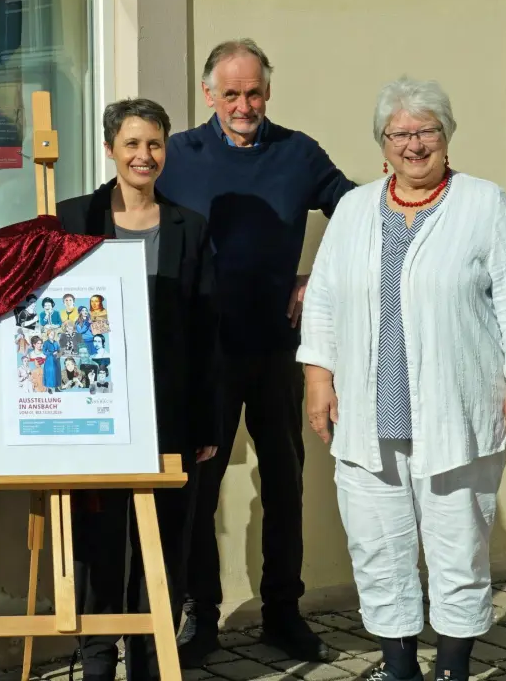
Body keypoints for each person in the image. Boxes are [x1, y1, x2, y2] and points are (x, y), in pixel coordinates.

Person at [299, 78, 506, 681]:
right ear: (382, 145)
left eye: (426, 131)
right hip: (367, 418)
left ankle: (454, 670)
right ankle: (399, 667)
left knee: (457, 550)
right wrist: (317, 379)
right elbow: (324, 303)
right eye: (400, 133)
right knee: (379, 550)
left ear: (447, 137)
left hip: (454, 414)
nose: (414, 144)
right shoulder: (356, 209)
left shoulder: (484, 204)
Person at [156, 39, 354, 663]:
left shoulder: (298, 152)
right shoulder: (178, 154)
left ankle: (282, 613)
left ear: (268, 92)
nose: (244, 104)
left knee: (284, 481)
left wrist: (315, 277)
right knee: (197, 485)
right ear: (208, 94)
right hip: (203, 351)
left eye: (255, 92)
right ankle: (200, 616)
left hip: (275, 347)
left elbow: (361, 213)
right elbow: (126, 210)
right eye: (232, 93)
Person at [56, 98, 219, 681]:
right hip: (92, 414)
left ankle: (149, 661)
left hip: (168, 414)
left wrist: (207, 423)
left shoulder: (189, 228)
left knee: (163, 546)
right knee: (99, 542)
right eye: (131, 144)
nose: (143, 156)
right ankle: (98, 660)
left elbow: (207, 333)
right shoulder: (73, 219)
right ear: (110, 150)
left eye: (153, 144)